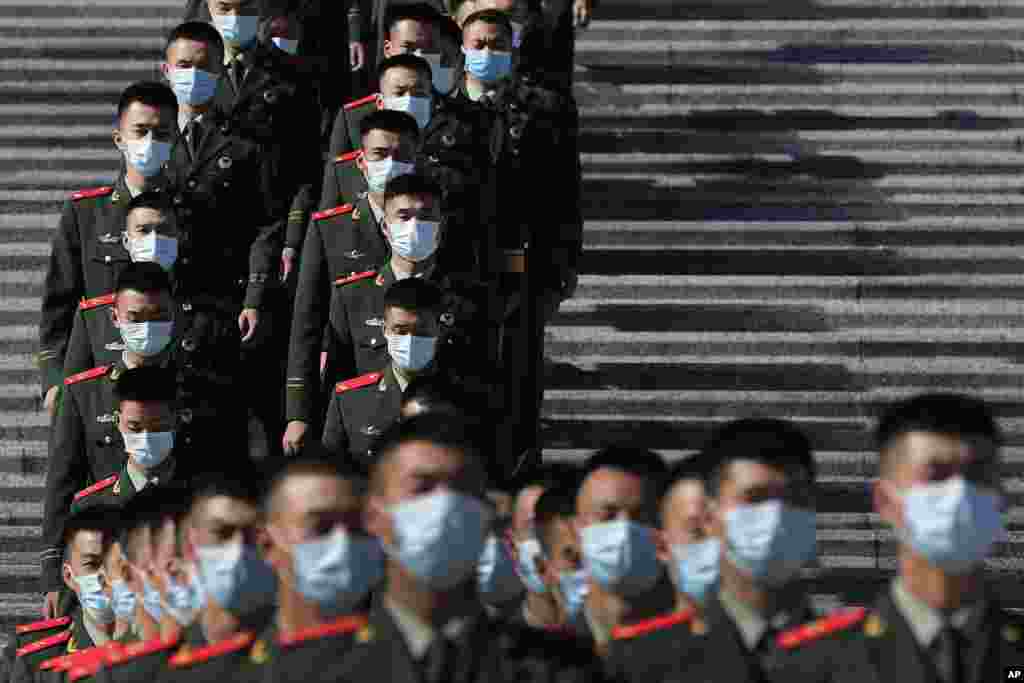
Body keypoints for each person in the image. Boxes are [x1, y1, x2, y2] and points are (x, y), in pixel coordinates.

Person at [311, 414, 607, 682]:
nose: (444, 506)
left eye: (462, 488)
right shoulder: (317, 670)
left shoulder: (560, 670)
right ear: (372, 515)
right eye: (421, 488)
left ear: (490, 514)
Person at [786, 393, 1024, 683]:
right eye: (935, 476)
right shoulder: (810, 664)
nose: (959, 494)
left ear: (1002, 497)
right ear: (886, 502)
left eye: (977, 476)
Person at [41, 264, 178, 618]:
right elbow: (62, 480)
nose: (147, 326)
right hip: (104, 554)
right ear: (115, 318)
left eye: (158, 315)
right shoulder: (84, 393)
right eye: (136, 316)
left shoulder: (198, 390)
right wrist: (53, 574)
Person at [284, 110, 420, 455]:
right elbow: (306, 325)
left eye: (402, 156)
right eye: (380, 154)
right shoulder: (331, 228)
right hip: (354, 390)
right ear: (360, 160)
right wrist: (298, 412)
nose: (392, 164)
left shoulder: (432, 224)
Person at [38, 82, 178, 417]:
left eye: (161, 134)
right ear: (119, 138)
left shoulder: (193, 212)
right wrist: (55, 379)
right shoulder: (85, 214)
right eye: (140, 131)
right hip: (101, 375)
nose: (150, 143)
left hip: (173, 377)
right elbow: (59, 305)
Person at [659, 418, 822, 683]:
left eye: (795, 499)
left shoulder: (863, 655)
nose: (776, 516)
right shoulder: (650, 663)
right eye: (754, 498)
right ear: (710, 517)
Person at [604, 458, 715, 683]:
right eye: (696, 531)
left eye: (726, 529)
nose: (717, 544)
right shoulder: (630, 661)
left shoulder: (787, 655)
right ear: (662, 546)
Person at [322, 279, 448, 467]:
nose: (410, 340)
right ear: (385, 330)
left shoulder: (462, 398)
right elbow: (331, 473)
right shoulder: (350, 399)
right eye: (400, 330)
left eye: (421, 331)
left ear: (439, 330)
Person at [61, 193, 181, 381]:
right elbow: (80, 393)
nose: (155, 240)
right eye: (143, 230)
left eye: (164, 230)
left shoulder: (202, 316)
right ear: (126, 240)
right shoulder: (93, 316)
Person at [571, 447, 675, 659]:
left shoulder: (705, 648)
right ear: (577, 528)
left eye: (642, 516)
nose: (624, 529)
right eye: (607, 516)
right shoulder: (548, 646)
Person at [11, 506, 119, 683]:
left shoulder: (162, 652)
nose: (103, 576)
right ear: (69, 576)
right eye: (91, 564)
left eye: (113, 564)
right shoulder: (34, 659)